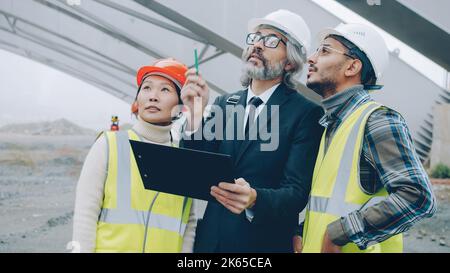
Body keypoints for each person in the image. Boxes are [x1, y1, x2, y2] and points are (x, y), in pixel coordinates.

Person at [180, 9, 324, 252]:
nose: (257, 45)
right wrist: (195, 116)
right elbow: (195, 168)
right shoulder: (225, 104)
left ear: (290, 61)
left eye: (270, 41)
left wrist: (255, 197)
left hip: (263, 245)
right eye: (255, 38)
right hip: (211, 243)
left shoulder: (306, 114)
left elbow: (296, 192)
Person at [295, 23, 436, 253]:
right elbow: (333, 203)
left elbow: (418, 197)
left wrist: (339, 233)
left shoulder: (377, 120)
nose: (311, 58)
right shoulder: (333, 125)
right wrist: (303, 231)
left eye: (324, 50)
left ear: (352, 67)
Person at [72, 58, 197, 253]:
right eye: (146, 88)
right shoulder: (109, 145)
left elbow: (188, 223)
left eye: (165, 90)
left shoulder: (184, 159)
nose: (153, 96)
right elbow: (85, 214)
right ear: (137, 100)